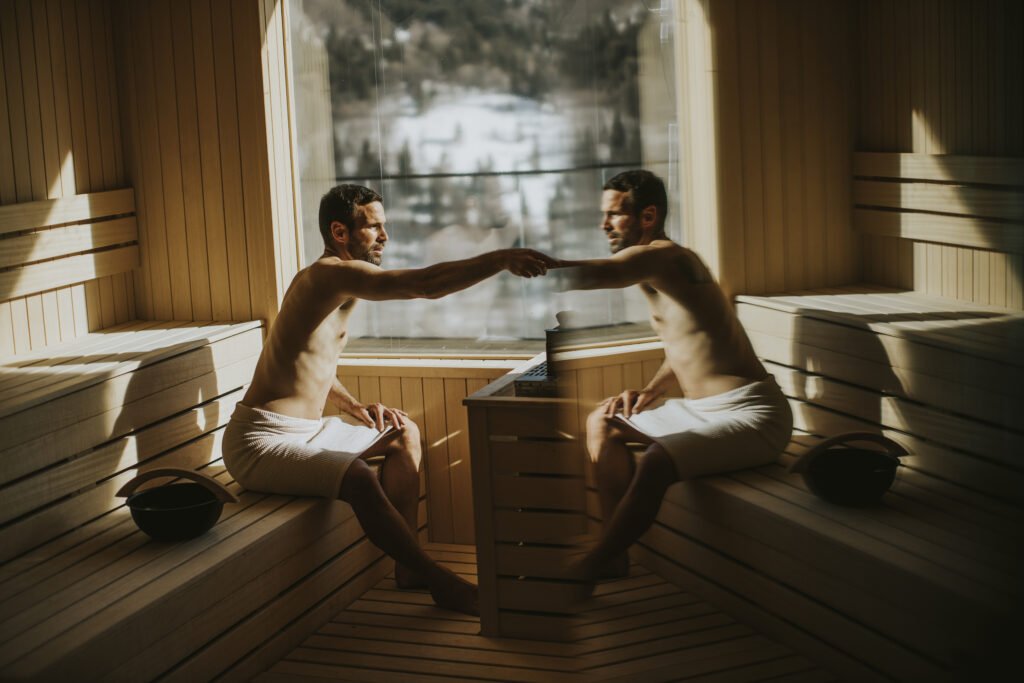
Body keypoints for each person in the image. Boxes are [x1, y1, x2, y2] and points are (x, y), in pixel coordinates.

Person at [223, 184, 555, 615]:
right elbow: (426, 285)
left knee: (404, 433)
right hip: (260, 442)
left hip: (307, 432)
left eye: (386, 226)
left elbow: (309, 359)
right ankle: (439, 580)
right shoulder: (329, 274)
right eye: (373, 226)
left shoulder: (337, 280)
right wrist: (500, 258)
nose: (385, 237)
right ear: (339, 232)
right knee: (359, 476)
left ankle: (409, 567)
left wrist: (353, 406)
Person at [555, 170, 792, 589]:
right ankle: (615, 553)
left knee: (659, 461)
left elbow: (592, 276)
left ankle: (593, 564)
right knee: (602, 422)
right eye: (603, 215)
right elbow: (687, 341)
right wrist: (652, 390)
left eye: (614, 215)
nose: (603, 225)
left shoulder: (662, 256)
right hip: (699, 411)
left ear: (648, 216)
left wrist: (510, 262)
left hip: (753, 414)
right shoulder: (662, 268)